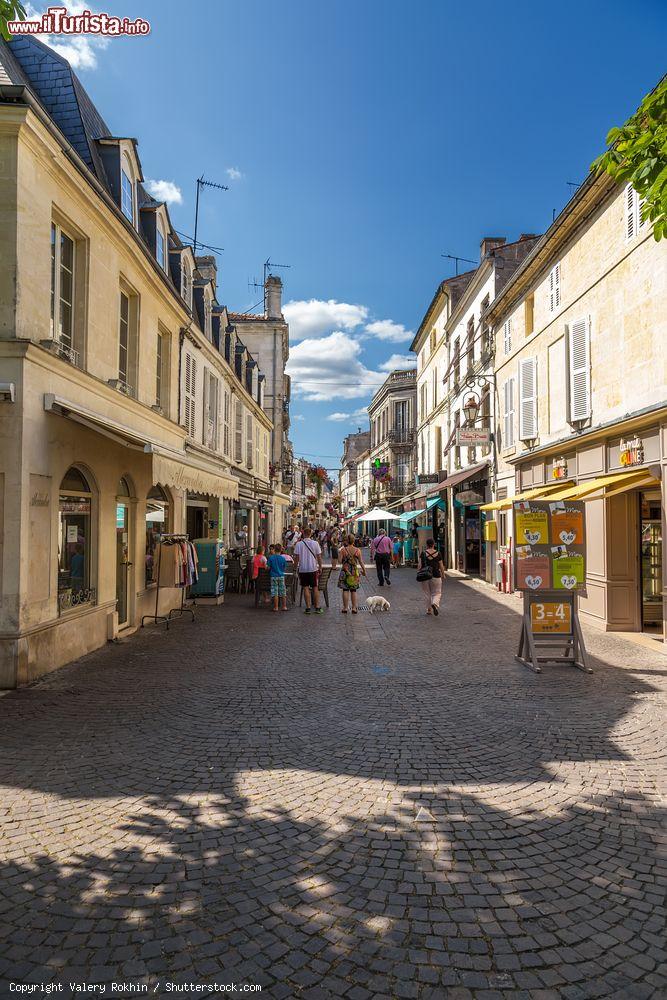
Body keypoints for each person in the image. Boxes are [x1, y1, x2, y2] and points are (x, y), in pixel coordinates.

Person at [294, 527, 323, 614]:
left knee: (305, 587)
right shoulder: (315, 543)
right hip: (313, 568)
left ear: (303, 533)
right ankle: (317, 607)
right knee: (315, 587)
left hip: (303, 569)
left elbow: (297, 558)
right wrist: (320, 567)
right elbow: (319, 557)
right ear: (310, 534)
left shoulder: (299, 544)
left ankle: (308, 608)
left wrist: (295, 567)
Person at [338, 533, 365, 613]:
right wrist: (364, 570)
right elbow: (361, 562)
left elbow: (339, 561)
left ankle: (345, 608)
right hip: (354, 571)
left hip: (345, 571)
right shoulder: (357, 550)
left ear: (346, 541)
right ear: (353, 541)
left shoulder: (343, 550)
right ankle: (354, 608)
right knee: (353, 590)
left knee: (345, 589)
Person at [419, 538, 445, 617]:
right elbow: (441, 565)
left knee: (427, 593)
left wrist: (419, 572)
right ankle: (435, 603)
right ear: (434, 544)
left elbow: (419, 565)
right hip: (436, 575)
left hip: (425, 576)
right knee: (437, 592)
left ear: (427, 545)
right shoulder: (438, 553)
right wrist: (443, 574)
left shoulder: (423, 553)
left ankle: (429, 610)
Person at [267, 543, 288, 612]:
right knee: (283, 592)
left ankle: (276, 607)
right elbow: (284, 567)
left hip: (273, 576)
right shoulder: (283, 558)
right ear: (281, 550)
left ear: (274, 549)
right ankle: (284, 606)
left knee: (275, 592)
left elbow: (268, 567)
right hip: (281, 576)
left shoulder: (271, 558)